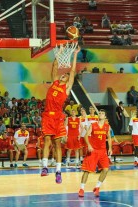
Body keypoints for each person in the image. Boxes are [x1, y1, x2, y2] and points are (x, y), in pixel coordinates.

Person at [40, 47, 80, 184]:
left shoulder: (67, 88)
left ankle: (58, 171)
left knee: (57, 144)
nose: (64, 74)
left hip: (58, 117)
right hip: (47, 116)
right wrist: (60, 52)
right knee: (47, 140)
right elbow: (54, 66)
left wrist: (75, 55)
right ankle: (44, 167)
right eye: (63, 74)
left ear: (68, 79)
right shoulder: (54, 82)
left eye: (66, 75)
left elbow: (73, 71)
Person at [78, 109, 112, 197]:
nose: (100, 114)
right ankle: (81, 189)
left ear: (105, 116)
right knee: (87, 171)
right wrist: (89, 145)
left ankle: (97, 187)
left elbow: (109, 137)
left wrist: (110, 148)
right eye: (99, 113)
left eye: (102, 113)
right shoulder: (93, 125)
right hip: (93, 150)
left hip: (103, 151)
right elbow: (86, 136)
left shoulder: (107, 126)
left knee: (105, 169)